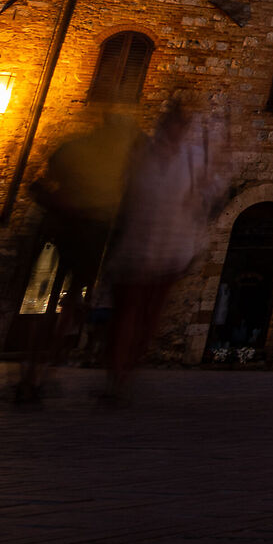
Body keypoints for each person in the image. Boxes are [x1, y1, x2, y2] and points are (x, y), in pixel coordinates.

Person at [101, 99, 227, 399]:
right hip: (135, 247)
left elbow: (214, 190)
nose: (173, 130)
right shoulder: (142, 154)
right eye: (170, 124)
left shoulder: (194, 159)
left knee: (146, 318)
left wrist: (206, 194)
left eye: (179, 125)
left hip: (169, 250)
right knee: (125, 315)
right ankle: (115, 377)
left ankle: (125, 375)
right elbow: (124, 191)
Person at [15, 112, 138, 403]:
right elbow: (40, 182)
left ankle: (36, 372)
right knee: (64, 305)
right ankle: (39, 371)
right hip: (78, 239)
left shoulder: (81, 152)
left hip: (70, 237)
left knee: (61, 305)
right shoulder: (107, 161)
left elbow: (39, 182)